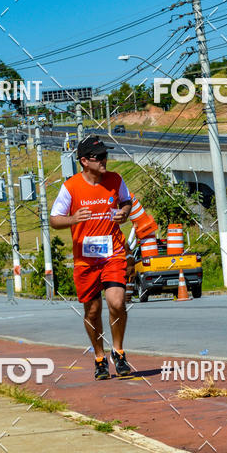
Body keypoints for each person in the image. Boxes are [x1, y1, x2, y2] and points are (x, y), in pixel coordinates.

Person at [50, 135, 133, 379]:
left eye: (106, 155)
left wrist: (124, 213)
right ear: (84, 161)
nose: (105, 160)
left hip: (113, 254)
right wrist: (72, 219)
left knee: (117, 303)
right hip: (85, 260)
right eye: (99, 157)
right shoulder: (71, 187)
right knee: (93, 311)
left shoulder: (115, 180)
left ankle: (118, 352)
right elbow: (54, 219)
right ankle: (99, 357)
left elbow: (127, 202)